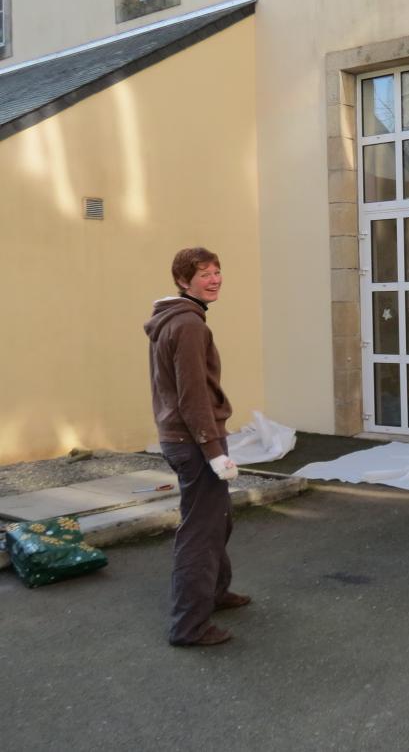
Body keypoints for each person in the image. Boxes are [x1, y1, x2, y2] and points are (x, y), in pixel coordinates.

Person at [145, 247, 250, 646]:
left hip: (185, 438)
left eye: (217, 271)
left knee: (218, 519)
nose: (214, 279)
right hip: (193, 441)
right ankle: (189, 626)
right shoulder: (188, 325)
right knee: (200, 533)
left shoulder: (177, 319)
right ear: (183, 281)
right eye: (204, 274)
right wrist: (214, 451)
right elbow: (193, 397)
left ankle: (215, 593)